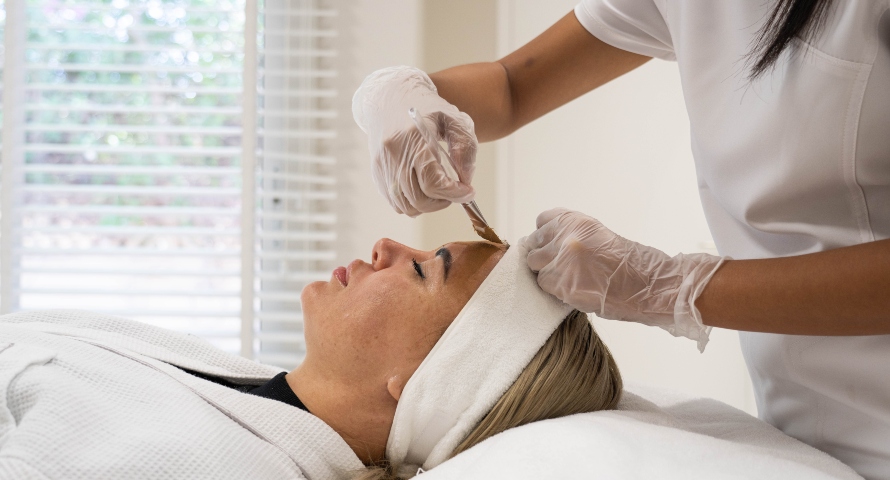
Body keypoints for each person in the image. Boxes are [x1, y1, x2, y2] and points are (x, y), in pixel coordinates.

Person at [351, 1, 890, 478]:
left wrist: (674, 288)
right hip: (800, 430)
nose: (384, 249)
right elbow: (511, 86)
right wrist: (406, 99)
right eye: (427, 266)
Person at [0, 238, 621, 479]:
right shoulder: (244, 397)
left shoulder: (212, 466)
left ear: (428, 383)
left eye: (423, 270)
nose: (385, 246)